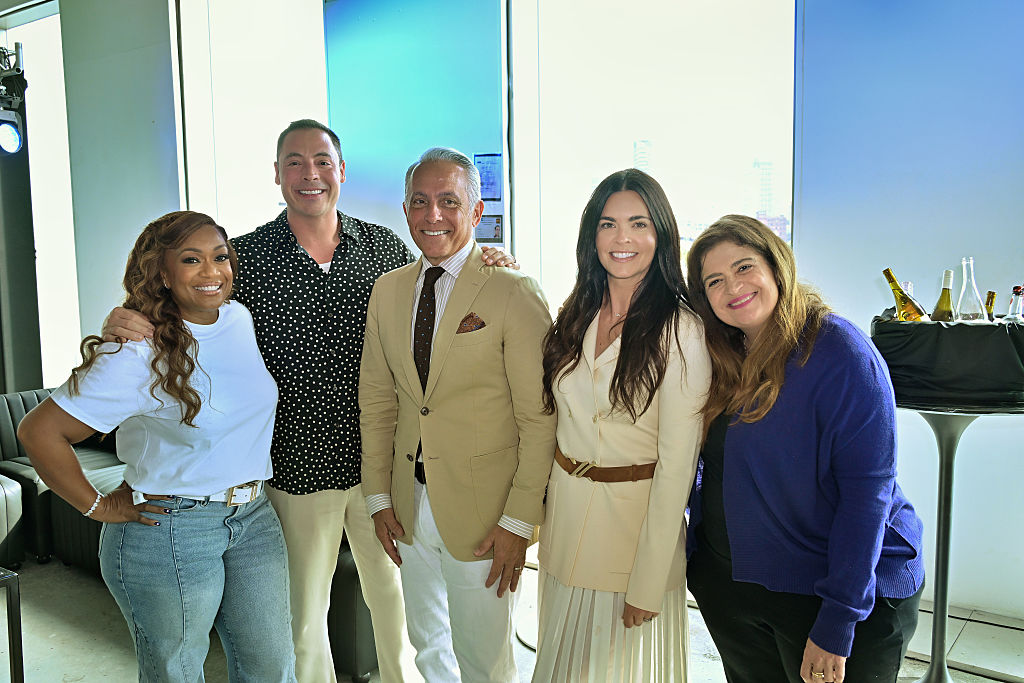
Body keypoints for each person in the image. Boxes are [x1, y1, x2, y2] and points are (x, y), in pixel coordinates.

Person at [102, 120, 515, 683]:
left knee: (400, 605)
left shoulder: (384, 248)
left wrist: (494, 262)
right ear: (277, 175)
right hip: (295, 466)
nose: (310, 174)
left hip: (383, 466)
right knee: (301, 620)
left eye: (322, 161)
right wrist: (125, 316)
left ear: (341, 172)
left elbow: (443, 283)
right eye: (294, 162)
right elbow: (184, 303)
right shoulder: (244, 258)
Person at [17, 211, 295, 682]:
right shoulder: (135, 350)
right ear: (162, 273)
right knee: (177, 673)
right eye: (191, 259)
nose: (211, 272)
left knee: (272, 667)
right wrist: (98, 506)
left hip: (253, 517)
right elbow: (38, 432)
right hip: (171, 529)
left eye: (220, 257)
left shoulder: (238, 318)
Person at [683, 215, 925, 683]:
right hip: (732, 590)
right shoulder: (716, 356)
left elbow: (866, 496)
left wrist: (838, 621)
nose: (732, 286)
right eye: (714, 281)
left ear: (776, 266)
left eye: (744, 267)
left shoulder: (839, 351)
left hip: (837, 594)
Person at [359, 147, 556, 682]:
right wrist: (378, 496)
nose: (433, 215)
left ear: (476, 212)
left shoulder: (512, 290)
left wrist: (519, 519)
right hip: (408, 503)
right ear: (405, 211)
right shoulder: (388, 290)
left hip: (484, 513)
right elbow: (378, 401)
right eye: (420, 202)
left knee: (484, 658)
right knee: (428, 647)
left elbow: (539, 418)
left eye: (449, 201)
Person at [531, 169, 711, 682]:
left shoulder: (682, 330)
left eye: (638, 223)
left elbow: (678, 467)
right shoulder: (577, 311)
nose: (623, 238)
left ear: (662, 235)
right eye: (608, 224)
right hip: (565, 531)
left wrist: (649, 582)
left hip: (630, 543)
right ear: (592, 236)